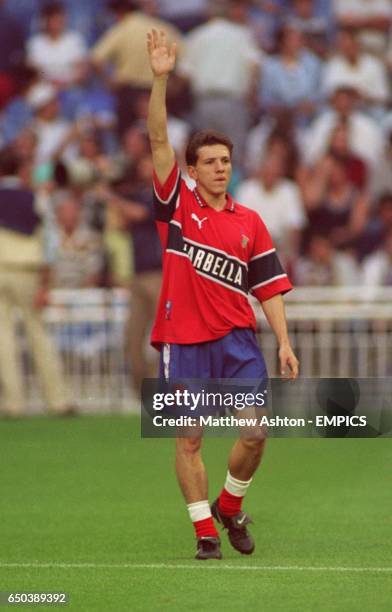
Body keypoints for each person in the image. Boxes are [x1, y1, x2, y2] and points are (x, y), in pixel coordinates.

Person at [146, 29, 299, 560]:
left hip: (237, 341)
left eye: (225, 162)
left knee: (255, 436)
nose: (219, 167)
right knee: (187, 440)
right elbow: (159, 140)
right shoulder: (178, 209)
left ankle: (230, 507)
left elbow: (269, 286)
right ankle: (204, 533)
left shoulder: (250, 221)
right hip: (183, 340)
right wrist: (161, 80)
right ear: (192, 171)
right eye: (209, 161)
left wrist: (283, 339)